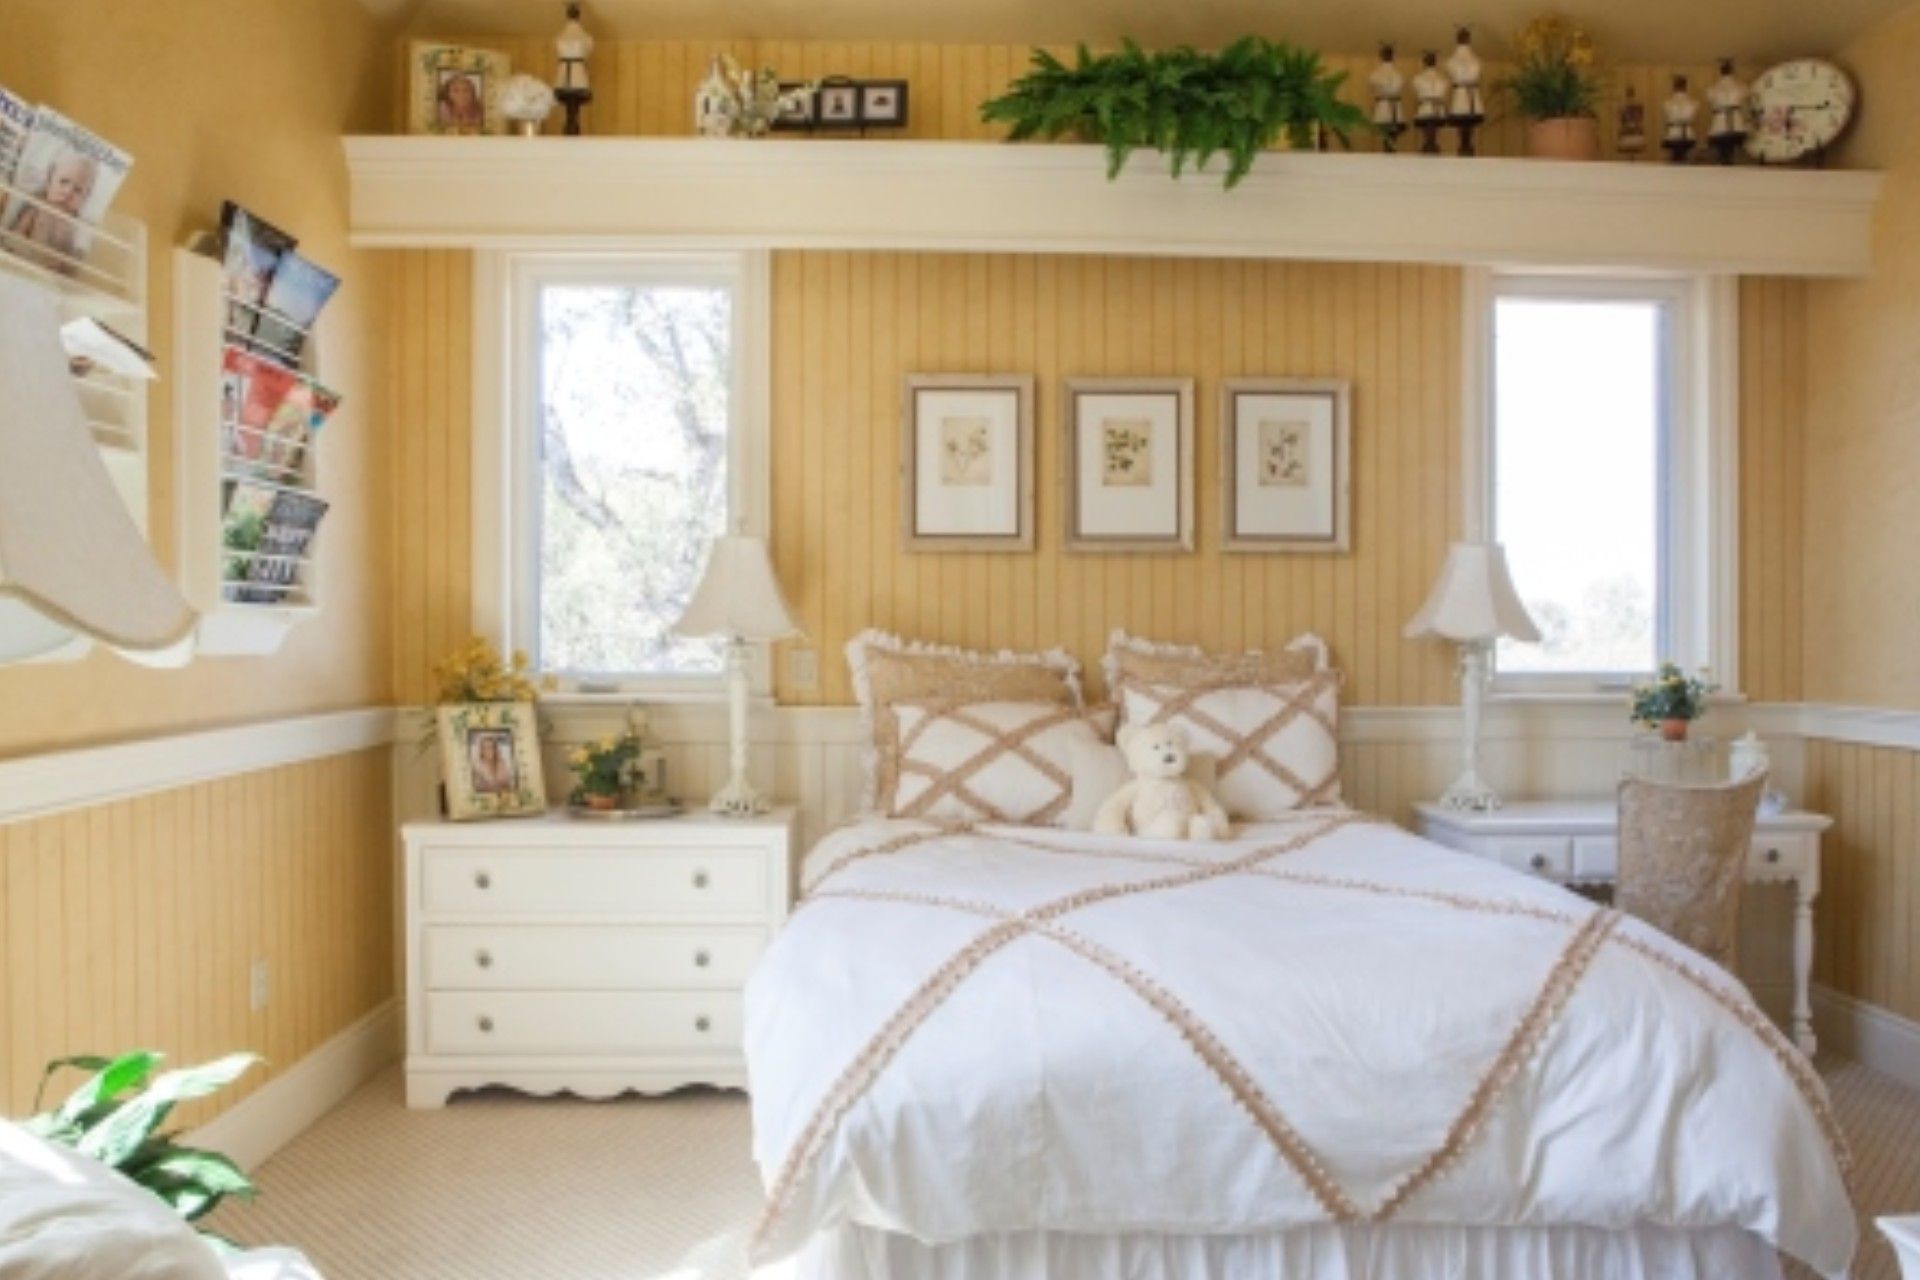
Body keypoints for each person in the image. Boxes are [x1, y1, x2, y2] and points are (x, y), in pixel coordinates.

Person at [5, 147, 95, 259]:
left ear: (86, 198)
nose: (68, 192)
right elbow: (15, 235)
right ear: (49, 181)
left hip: (51, 272)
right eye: (63, 182)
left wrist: (76, 258)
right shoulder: (37, 207)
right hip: (26, 260)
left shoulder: (75, 223)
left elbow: (73, 252)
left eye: (78, 190)